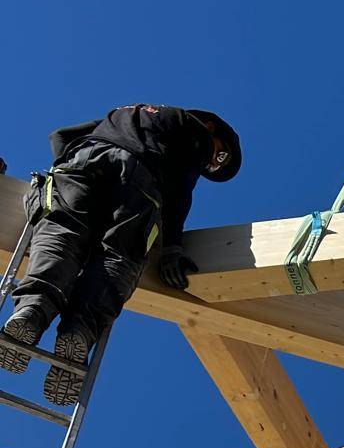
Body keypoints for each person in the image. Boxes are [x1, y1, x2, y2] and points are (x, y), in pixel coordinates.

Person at [0, 105, 241, 404]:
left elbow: (60, 136)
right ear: (211, 126)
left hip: (84, 161)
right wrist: (172, 247)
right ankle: (79, 331)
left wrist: (65, 176)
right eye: (218, 156)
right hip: (140, 178)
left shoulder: (126, 114)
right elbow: (181, 189)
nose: (211, 164)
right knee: (117, 258)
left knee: (61, 235)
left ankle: (31, 311)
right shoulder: (193, 129)